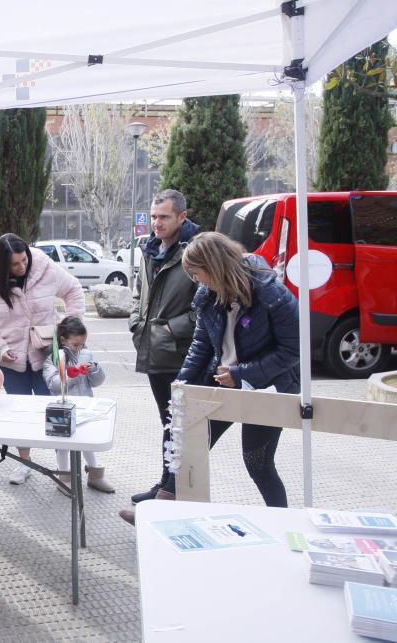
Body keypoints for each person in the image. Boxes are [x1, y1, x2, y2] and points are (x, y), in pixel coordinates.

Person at [120, 232, 298, 524]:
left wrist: (242, 374)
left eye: (196, 272)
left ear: (215, 267)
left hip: (269, 389)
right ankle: (164, 506)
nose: (194, 279)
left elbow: (292, 351)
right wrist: (183, 382)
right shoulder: (207, 295)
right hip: (221, 384)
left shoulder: (271, 294)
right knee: (190, 446)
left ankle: (287, 525)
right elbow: (201, 344)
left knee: (258, 464)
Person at [0, 233, 85, 485]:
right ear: (1, 264)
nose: (22, 267)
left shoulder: (44, 267)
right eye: (14, 264)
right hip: (9, 362)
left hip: (48, 356)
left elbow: (74, 290)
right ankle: (24, 463)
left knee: (55, 411)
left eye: (24, 261)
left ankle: (64, 468)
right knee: (17, 413)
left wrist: (68, 329)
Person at [127, 189, 200, 504]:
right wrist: (136, 322)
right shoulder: (150, 248)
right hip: (154, 349)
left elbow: (211, 302)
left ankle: (172, 490)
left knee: (178, 424)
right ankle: (165, 485)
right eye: (154, 217)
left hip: (181, 354)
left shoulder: (196, 250)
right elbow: (139, 291)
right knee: (168, 422)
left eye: (164, 217)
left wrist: (173, 328)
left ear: (182, 217)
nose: (156, 223)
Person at [42, 316, 113, 493]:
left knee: (86, 439)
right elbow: (54, 385)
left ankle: (96, 474)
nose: (79, 347)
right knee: (63, 444)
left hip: (85, 405)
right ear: (63, 340)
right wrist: (70, 374)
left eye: (82, 344)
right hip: (62, 407)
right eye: (76, 344)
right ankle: (65, 477)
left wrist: (94, 368)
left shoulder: (86, 354)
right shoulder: (53, 357)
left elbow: (97, 382)